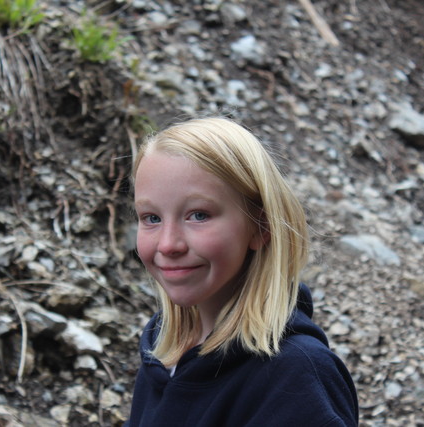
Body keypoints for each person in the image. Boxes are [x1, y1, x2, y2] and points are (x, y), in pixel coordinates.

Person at [125, 117, 358, 426]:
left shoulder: (296, 379)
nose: (168, 245)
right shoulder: (164, 343)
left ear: (261, 226)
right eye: (151, 217)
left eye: (198, 215)